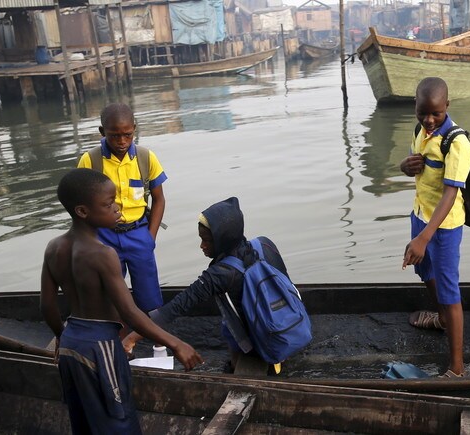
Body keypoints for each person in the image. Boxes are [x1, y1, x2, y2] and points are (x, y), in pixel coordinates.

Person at [40, 168, 201, 434]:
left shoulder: (53, 247)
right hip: (99, 345)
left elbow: (47, 307)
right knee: (118, 419)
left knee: (85, 421)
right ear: (82, 211)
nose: (117, 208)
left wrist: (62, 336)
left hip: (70, 344)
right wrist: (175, 343)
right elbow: (129, 311)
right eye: (108, 204)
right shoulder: (103, 254)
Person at [122, 197, 291, 373]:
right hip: (285, 323)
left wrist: (131, 339)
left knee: (229, 324)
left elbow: (174, 309)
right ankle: (282, 352)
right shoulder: (263, 243)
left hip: (263, 335)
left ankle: (240, 363)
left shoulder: (221, 274)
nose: (202, 246)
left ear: (223, 239)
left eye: (207, 240)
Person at [399, 77, 470, 378]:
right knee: (424, 271)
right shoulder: (419, 130)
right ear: (415, 107)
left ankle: (457, 369)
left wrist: (424, 237)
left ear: (447, 107)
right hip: (420, 214)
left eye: (436, 114)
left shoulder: (458, 143)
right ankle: (442, 318)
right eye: (422, 113)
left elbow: (451, 193)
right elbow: (417, 167)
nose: (429, 121)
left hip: (443, 227)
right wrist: (404, 167)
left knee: (448, 289)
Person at [78, 103, 167, 313]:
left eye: (127, 135)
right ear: (102, 132)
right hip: (104, 236)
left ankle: (153, 341)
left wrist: (150, 238)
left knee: (149, 295)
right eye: (114, 136)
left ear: (134, 129)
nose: (122, 142)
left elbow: (159, 199)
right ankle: (116, 335)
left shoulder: (146, 158)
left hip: (139, 233)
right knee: (108, 292)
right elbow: (80, 206)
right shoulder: (90, 161)